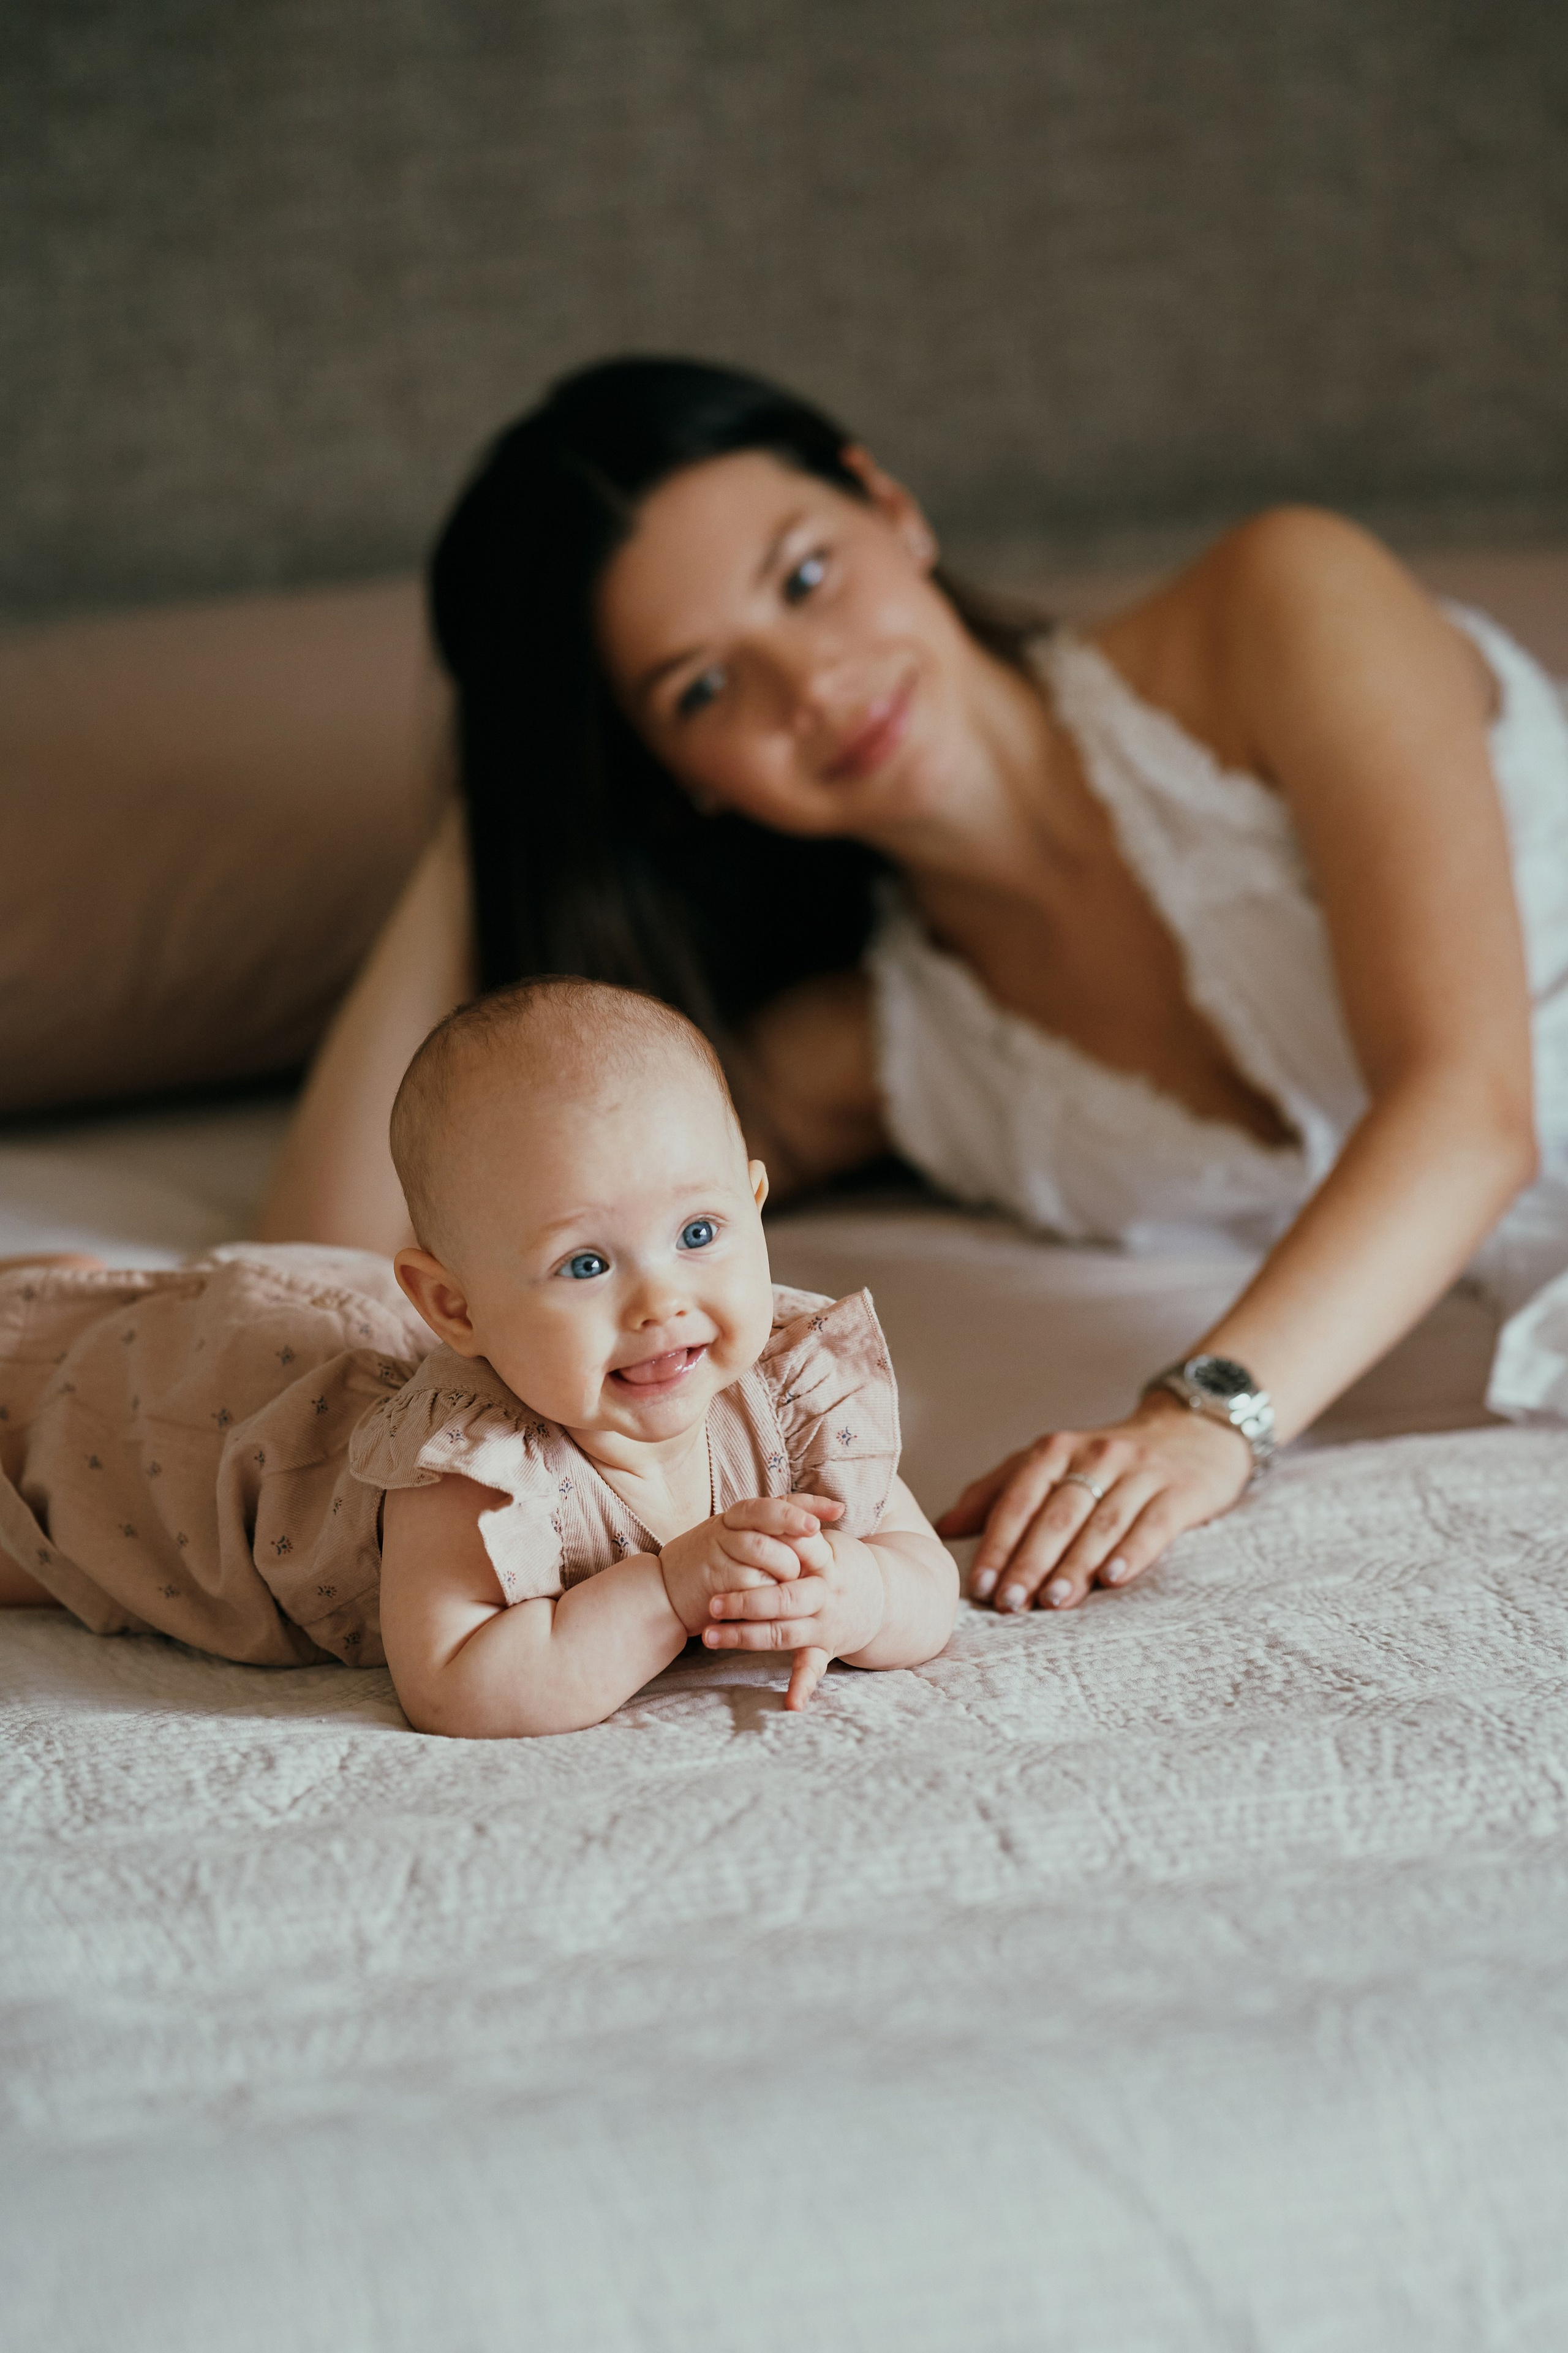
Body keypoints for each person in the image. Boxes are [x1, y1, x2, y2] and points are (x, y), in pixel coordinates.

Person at [258, 356, 1568, 1617]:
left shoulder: (1280, 603)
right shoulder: (890, 1053)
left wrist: (1200, 1421)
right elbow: (345, 1261)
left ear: (892, 506)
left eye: (808, 576)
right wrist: (503, 805)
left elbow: (1468, 1109)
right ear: (677, 773)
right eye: (705, 686)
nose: (814, 686)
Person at [0, 981, 958, 1732]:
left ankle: (80, 1288)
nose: (662, 1300)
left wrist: (861, 1593)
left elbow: (924, 1572)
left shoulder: (792, 1390)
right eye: (585, 1262)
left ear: (754, 1204)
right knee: (55, 1493)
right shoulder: (471, 1469)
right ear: (456, 1306)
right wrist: (668, 1589)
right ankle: (62, 1308)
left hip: (342, 1317)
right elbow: (460, 1684)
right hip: (214, 1434)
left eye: (700, 1231)